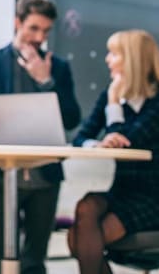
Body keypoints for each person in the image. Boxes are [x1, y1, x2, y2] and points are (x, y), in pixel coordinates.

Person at [0, 0, 81, 274]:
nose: (39, 37)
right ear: (17, 22)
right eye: (33, 28)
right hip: (2, 173)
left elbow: (72, 119)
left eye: (45, 31)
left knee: (33, 261)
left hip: (45, 176)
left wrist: (45, 80)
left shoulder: (58, 68)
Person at [68, 29, 159, 274]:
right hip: (123, 191)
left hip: (152, 197)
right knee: (86, 207)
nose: (107, 59)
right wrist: (95, 144)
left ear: (132, 58)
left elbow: (128, 140)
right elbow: (81, 138)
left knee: (80, 241)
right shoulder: (114, 94)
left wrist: (113, 105)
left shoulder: (154, 99)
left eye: (114, 54)